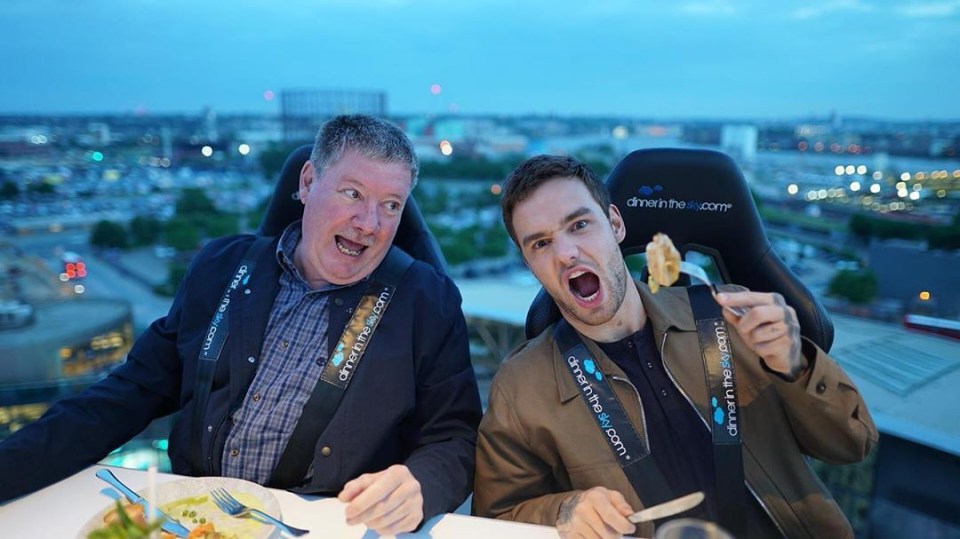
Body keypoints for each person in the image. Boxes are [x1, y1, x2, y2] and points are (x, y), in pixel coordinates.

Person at [0, 115, 482, 535]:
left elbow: (454, 438)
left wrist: (420, 485)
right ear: (309, 182)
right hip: (195, 521)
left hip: (325, 525)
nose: (369, 222)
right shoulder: (221, 267)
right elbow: (125, 395)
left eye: (391, 205)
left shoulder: (428, 302)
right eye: (352, 193)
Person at [473, 155, 878, 539]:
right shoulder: (521, 387)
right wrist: (562, 511)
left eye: (579, 225)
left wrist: (797, 367)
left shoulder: (736, 319)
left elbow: (852, 443)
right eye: (540, 244)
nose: (565, 253)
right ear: (529, 263)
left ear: (615, 224)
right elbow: (495, 519)